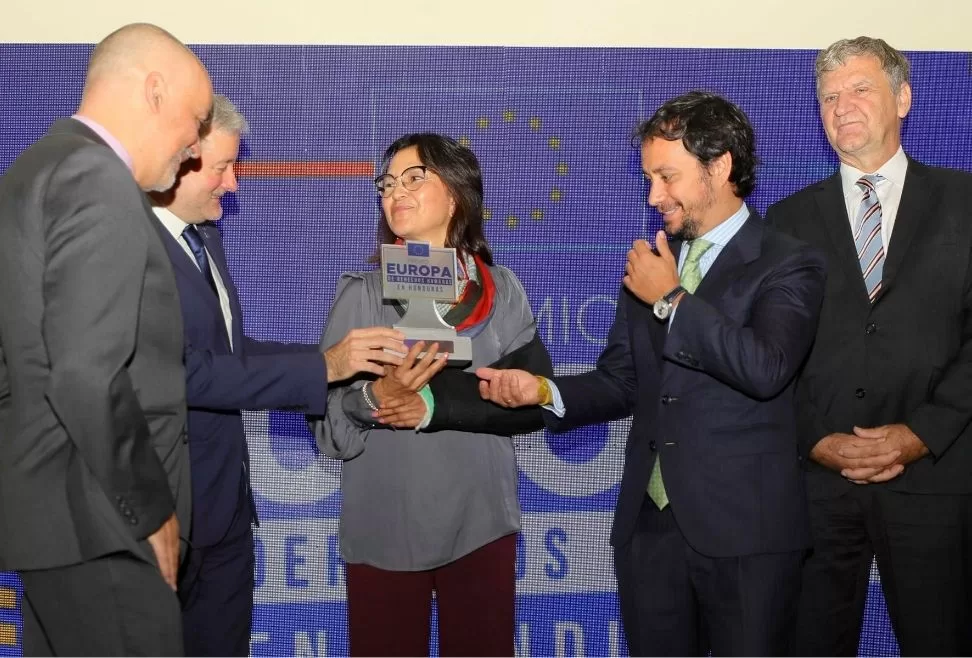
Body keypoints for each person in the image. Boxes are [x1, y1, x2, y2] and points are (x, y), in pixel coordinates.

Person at [476, 91, 827, 656]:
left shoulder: (787, 261)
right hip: (651, 528)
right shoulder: (656, 261)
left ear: (721, 166)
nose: (653, 195)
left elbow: (765, 368)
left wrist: (670, 299)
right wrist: (543, 390)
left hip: (746, 535)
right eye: (649, 178)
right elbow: (622, 380)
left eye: (667, 176)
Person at [148, 94, 407, 656]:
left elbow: (232, 350)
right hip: (162, 523)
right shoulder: (131, 249)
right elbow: (181, 372)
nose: (233, 184)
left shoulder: (204, 236)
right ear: (179, 162)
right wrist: (324, 366)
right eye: (222, 168)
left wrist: (335, 359)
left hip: (225, 518)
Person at [0, 23, 213, 656]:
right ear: (154, 91)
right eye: (197, 120)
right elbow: (85, 374)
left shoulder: (33, 169)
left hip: (50, 525)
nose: (196, 147)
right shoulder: (98, 180)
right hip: (102, 521)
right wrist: (149, 510)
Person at [765, 36, 972, 656]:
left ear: (903, 98)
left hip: (938, 476)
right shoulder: (785, 221)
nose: (843, 106)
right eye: (829, 97)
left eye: (860, 90)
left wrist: (920, 433)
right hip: (820, 486)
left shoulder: (967, 204)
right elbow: (773, 355)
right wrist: (817, 439)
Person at [311, 133, 548, 657]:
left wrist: (448, 401)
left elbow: (538, 403)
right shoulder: (362, 294)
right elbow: (327, 426)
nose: (395, 191)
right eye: (388, 183)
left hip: (482, 524)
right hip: (385, 530)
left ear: (456, 194)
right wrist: (374, 399)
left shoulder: (501, 289)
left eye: (415, 177)